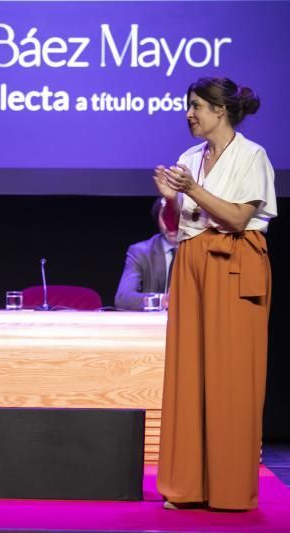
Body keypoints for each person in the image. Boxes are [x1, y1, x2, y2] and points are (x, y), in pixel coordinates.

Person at [153, 77, 277, 511]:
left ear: (220, 111)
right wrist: (171, 199)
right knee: (189, 374)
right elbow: (184, 220)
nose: (189, 113)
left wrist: (191, 190)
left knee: (231, 377)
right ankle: (186, 485)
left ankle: (228, 488)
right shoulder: (190, 158)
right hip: (191, 263)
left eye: (197, 106)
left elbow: (238, 218)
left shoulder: (252, 156)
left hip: (233, 262)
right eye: (188, 106)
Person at [114, 198, 178, 310]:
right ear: (157, 218)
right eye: (166, 216)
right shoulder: (140, 252)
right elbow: (122, 298)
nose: (170, 225)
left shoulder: (200, 253)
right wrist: (160, 301)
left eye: (176, 217)